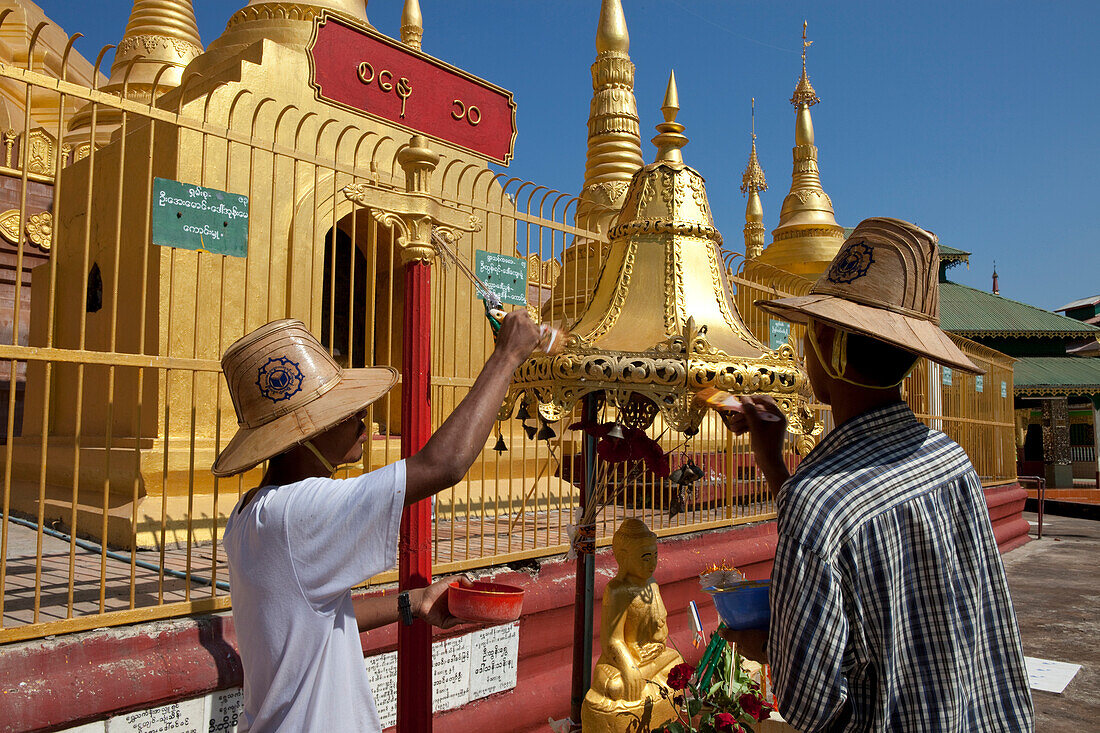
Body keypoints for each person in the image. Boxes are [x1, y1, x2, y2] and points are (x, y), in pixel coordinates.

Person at [725, 218, 1033, 731]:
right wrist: (776, 464)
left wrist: (762, 643)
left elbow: (809, 702)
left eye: (808, 332)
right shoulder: (951, 461)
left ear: (824, 340)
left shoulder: (816, 501)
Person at [212, 311, 541, 732]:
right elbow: (444, 465)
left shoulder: (250, 513)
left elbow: (319, 615)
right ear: (305, 434)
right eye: (348, 414)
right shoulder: (300, 511)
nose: (364, 425)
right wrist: (507, 356)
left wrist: (414, 602)